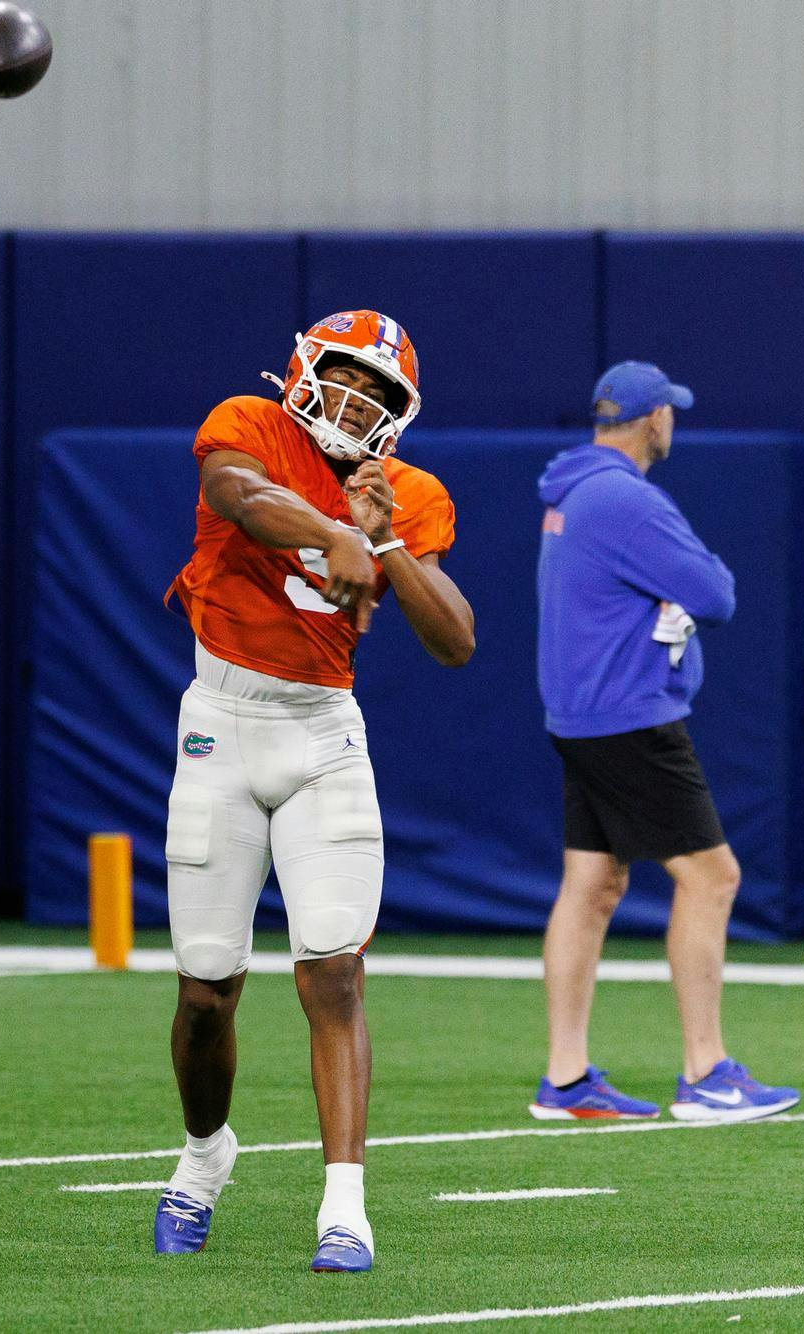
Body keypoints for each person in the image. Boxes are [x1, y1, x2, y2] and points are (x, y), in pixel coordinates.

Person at [153, 311, 474, 1273]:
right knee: (207, 990)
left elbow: (456, 639)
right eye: (346, 377)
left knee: (333, 970)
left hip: (322, 732)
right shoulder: (248, 423)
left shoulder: (409, 492)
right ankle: (206, 1157)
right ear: (303, 369)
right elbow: (239, 495)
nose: (357, 401)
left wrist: (387, 548)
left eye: (380, 393)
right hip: (220, 721)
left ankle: (344, 1207)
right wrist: (337, 529)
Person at [530, 361, 798, 1123]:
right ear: (653, 420)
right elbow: (716, 594)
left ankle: (566, 1078)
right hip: (627, 718)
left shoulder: (575, 491)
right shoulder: (625, 498)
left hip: (581, 716)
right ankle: (707, 1072)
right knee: (713, 878)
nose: (672, 423)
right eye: (669, 413)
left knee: (593, 886)